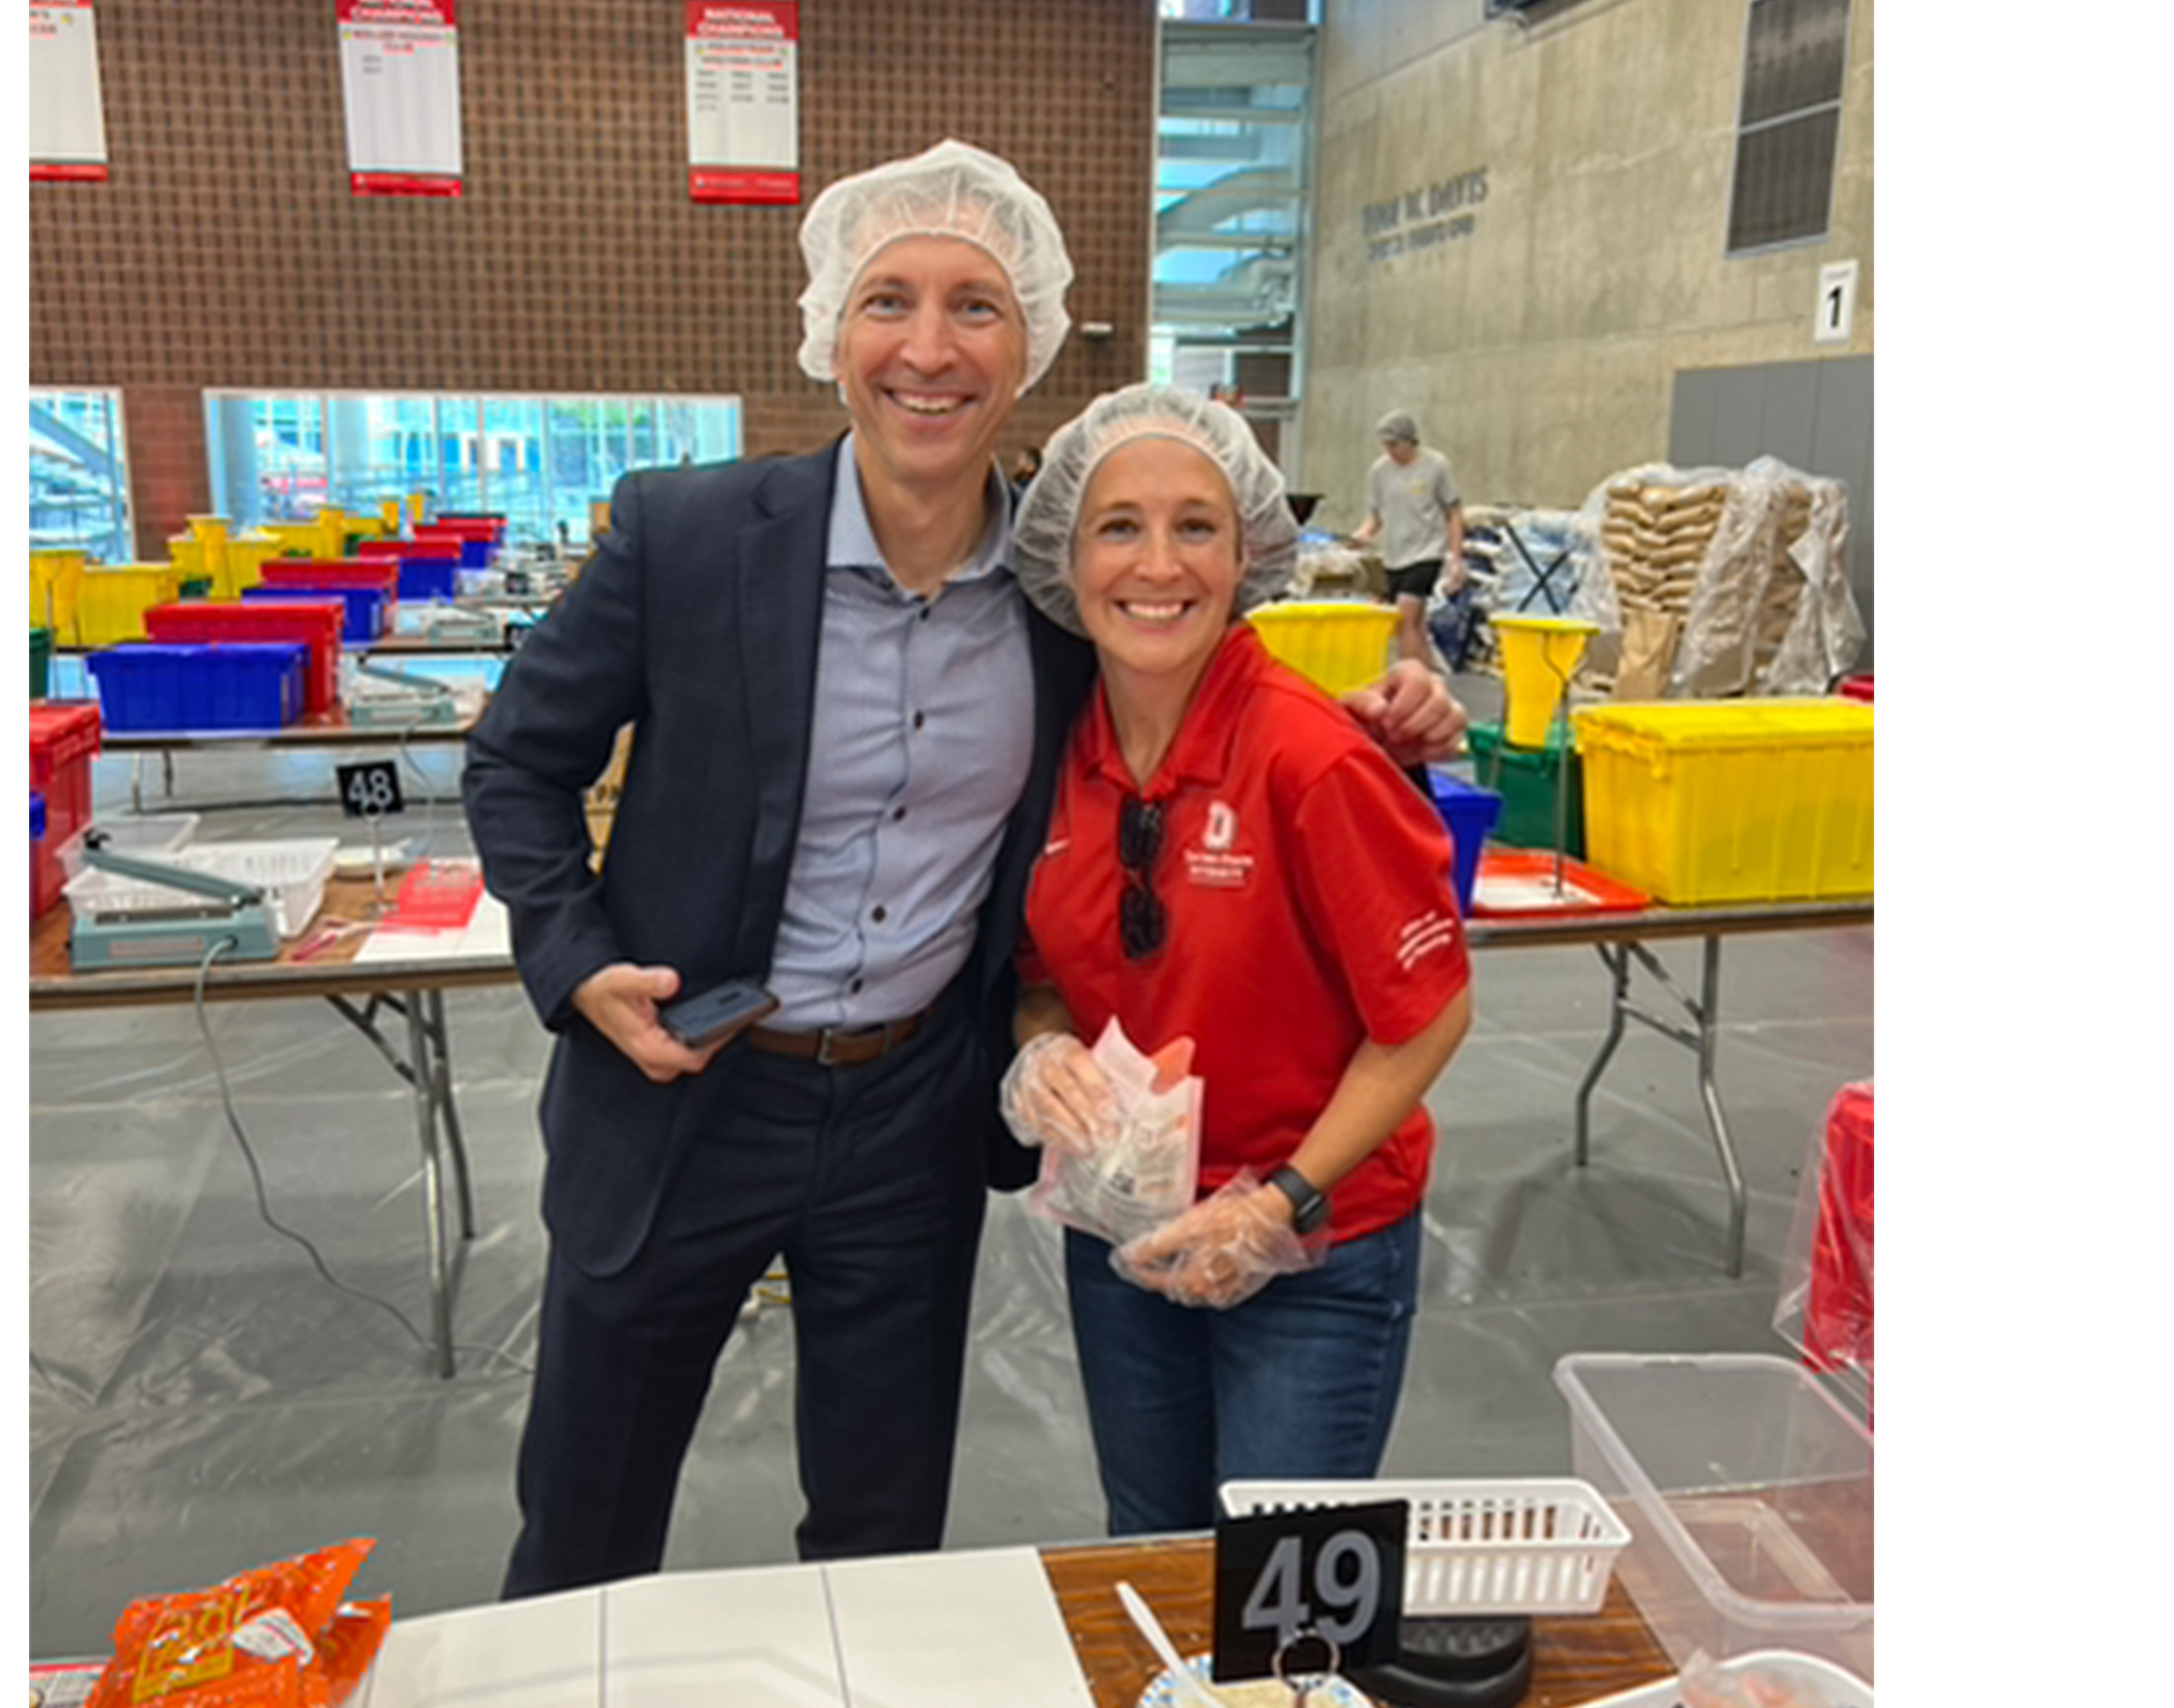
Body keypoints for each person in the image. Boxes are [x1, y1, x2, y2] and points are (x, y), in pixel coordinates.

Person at [459, 140, 1468, 1599]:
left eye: (974, 307)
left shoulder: (1065, 608)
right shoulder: (684, 539)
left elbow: (1218, 702)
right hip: (687, 1086)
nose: (926, 348)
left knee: (881, 1539)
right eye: (888, 301)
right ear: (830, 331)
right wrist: (568, 955)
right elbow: (512, 758)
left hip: (905, 1120)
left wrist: (1397, 735)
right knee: (583, 1523)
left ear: (1029, 347)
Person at [999, 384, 1473, 1536]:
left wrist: (1281, 1204)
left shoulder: (1312, 761)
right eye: (1120, 526)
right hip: (1132, 1224)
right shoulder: (1054, 751)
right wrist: (1042, 1045)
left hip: (1311, 1246)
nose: (1157, 564)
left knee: (1278, 1586)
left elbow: (1428, 1013)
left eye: (1195, 526)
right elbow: (1042, 969)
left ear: (1248, 548)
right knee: (1155, 1543)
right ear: (1069, 554)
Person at [1353, 409, 1465, 674]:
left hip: (1426, 553)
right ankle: (1429, 679)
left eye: (1395, 445)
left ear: (1409, 441)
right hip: (1394, 555)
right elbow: (1376, 516)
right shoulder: (1379, 472)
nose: (1390, 451)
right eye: (1386, 445)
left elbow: (1454, 513)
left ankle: (1411, 680)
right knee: (1416, 625)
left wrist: (1455, 557)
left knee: (1404, 620)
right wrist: (1364, 534)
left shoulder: (1436, 466)